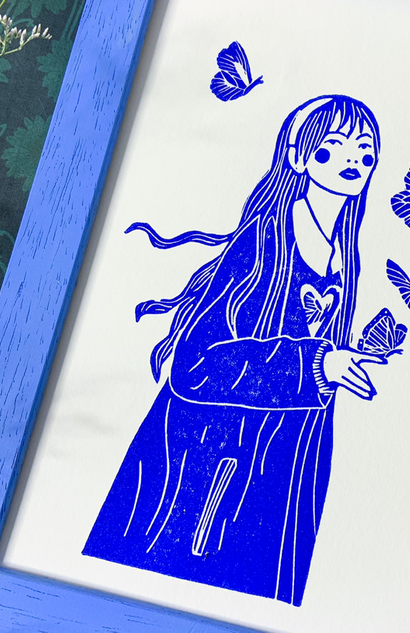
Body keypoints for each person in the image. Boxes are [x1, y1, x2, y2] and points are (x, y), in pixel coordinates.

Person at [83, 94, 385, 606]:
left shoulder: (344, 252)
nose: (352, 160)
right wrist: (313, 364)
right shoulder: (263, 241)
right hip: (207, 474)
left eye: (365, 151)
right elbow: (195, 365)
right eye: (333, 146)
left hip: (282, 477)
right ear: (298, 155)